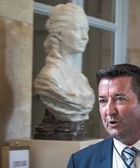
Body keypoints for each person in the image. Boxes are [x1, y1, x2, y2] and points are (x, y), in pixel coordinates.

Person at [33, 3, 94, 137]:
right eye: (79, 29)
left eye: (86, 30)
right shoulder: (48, 77)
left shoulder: (81, 79)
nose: (85, 36)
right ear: (59, 33)